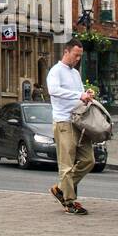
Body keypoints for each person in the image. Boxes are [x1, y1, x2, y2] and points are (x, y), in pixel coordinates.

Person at [46, 39, 95, 215]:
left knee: (89, 160)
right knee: (66, 165)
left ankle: (60, 189)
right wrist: (79, 94)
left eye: (80, 56)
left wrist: (87, 94)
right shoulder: (55, 71)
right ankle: (69, 202)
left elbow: (79, 94)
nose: (77, 59)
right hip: (63, 121)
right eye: (76, 55)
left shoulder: (75, 73)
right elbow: (53, 90)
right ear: (66, 52)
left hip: (78, 121)